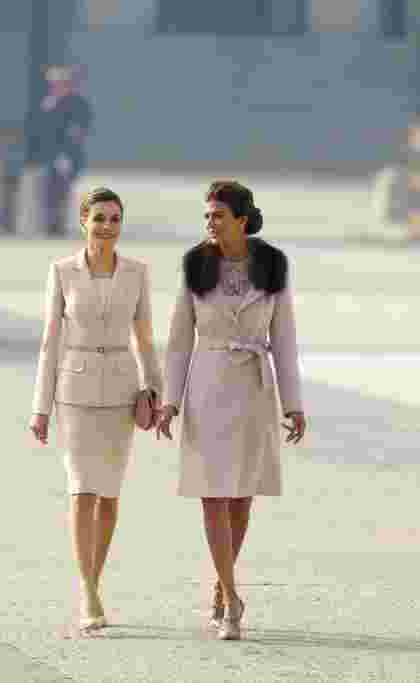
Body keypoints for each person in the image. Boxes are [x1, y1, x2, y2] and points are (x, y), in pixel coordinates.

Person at [156, 180, 306, 641]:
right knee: (211, 494)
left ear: (242, 219)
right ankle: (231, 595)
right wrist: (170, 401)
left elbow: (284, 339)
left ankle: (223, 588)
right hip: (207, 385)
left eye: (218, 215)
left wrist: (294, 404)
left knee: (242, 495)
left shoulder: (273, 265)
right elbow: (180, 338)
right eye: (206, 216)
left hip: (254, 390)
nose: (210, 223)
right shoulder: (196, 264)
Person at [29, 186, 162, 635]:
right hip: (75, 389)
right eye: (100, 218)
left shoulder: (138, 273)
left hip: (123, 391)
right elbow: (50, 340)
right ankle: (87, 591)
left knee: (109, 496)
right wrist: (40, 407)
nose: (108, 226)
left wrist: (156, 391)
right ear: (83, 221)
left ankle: (95, 579)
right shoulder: (62, 271)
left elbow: (145, 338)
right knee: (82, 489)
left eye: (115, 219)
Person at [32, 66, 93, 236]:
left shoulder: (77, 104)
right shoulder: (48, 102)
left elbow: (76, 132)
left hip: (66, 157)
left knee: (61, 193)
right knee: (47, 193)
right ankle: (49, 227)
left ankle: (58, 228)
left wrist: (66, 155)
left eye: (59, 83)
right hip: (48, 157)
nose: (55, 87)